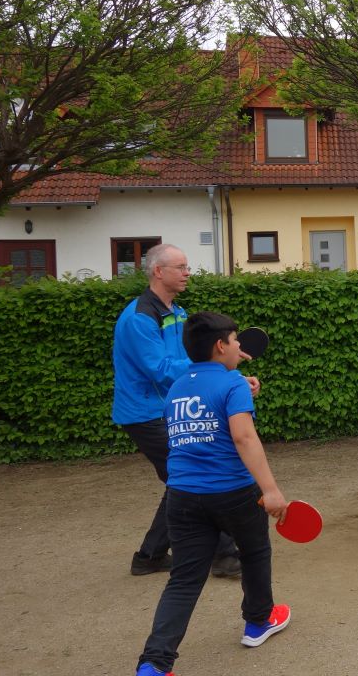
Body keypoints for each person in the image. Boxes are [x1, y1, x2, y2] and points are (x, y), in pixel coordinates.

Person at [133, 312, 290, 676]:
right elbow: (243, 437)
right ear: (221, 346)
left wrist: (239, 385)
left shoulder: (177, 387)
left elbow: (202, 417)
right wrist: (271, 490)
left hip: (182, 495)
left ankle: (154, 664)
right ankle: (258, 622)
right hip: (233, 491)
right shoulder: (232, 384)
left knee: (185, 578)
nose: (240, 347)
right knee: (254, 552)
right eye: (236, 341)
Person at [112, 244, 256, 577]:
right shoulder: (139, 318)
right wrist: (223, 371)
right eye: (181, 267)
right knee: (199, 471)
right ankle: (223, 556)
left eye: (187, 267)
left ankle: (149, 557)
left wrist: (228, 373)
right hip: (145, 414)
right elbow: (161, 368)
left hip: (168, 409)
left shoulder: (177, 312)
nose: (187, 272)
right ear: (158, 272)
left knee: (180, 478)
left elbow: (193, 363)